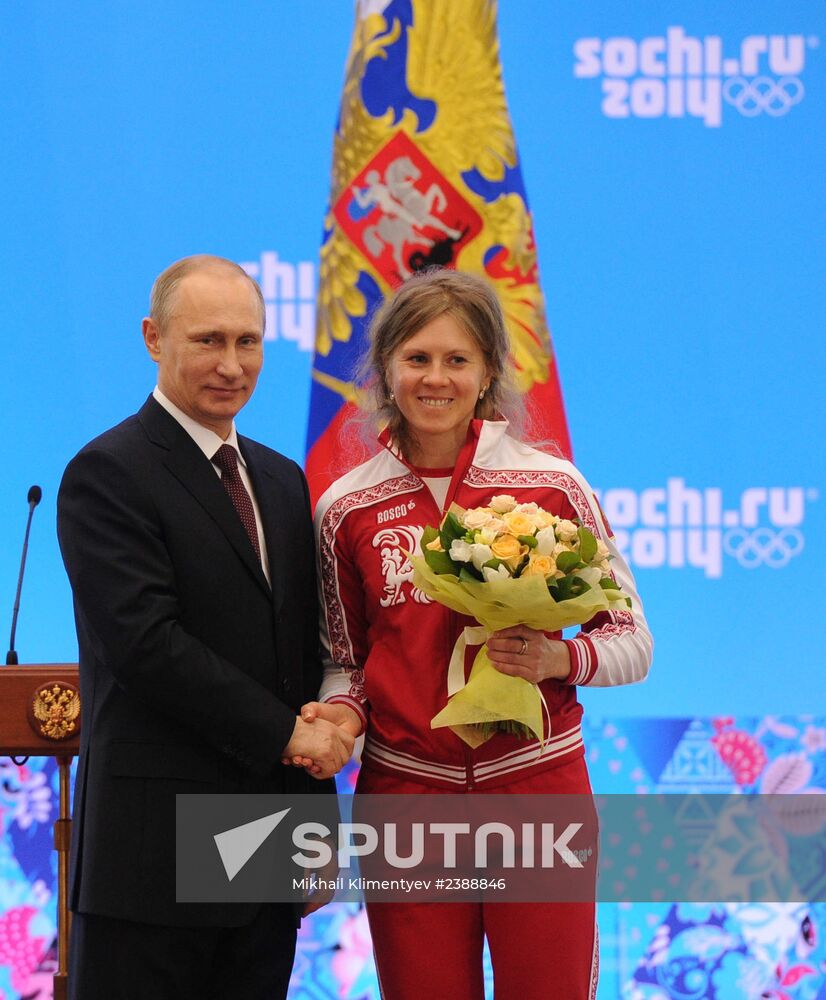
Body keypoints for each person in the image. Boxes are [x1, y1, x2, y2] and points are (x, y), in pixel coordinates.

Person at [300, 268, 653, 999]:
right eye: (418, 358)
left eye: (457, 360)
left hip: (536, 790)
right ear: (385, 371)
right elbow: (346, 663)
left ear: (489, 371)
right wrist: (342, 714)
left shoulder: (553, 487)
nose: (437, 378)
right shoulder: (345, 508)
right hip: (408, 797)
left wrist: (559, 656)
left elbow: (632, 641)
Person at [57, 255, 353, 1000]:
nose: (232, 364)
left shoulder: (283, 479)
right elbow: (147, 647)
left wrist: (311, 835)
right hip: (154, 862)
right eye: (208, 340)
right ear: (154, 339)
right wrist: (291, 734)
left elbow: (296, 660)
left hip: (263, 858)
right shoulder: (108, 473)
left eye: (248, 342)